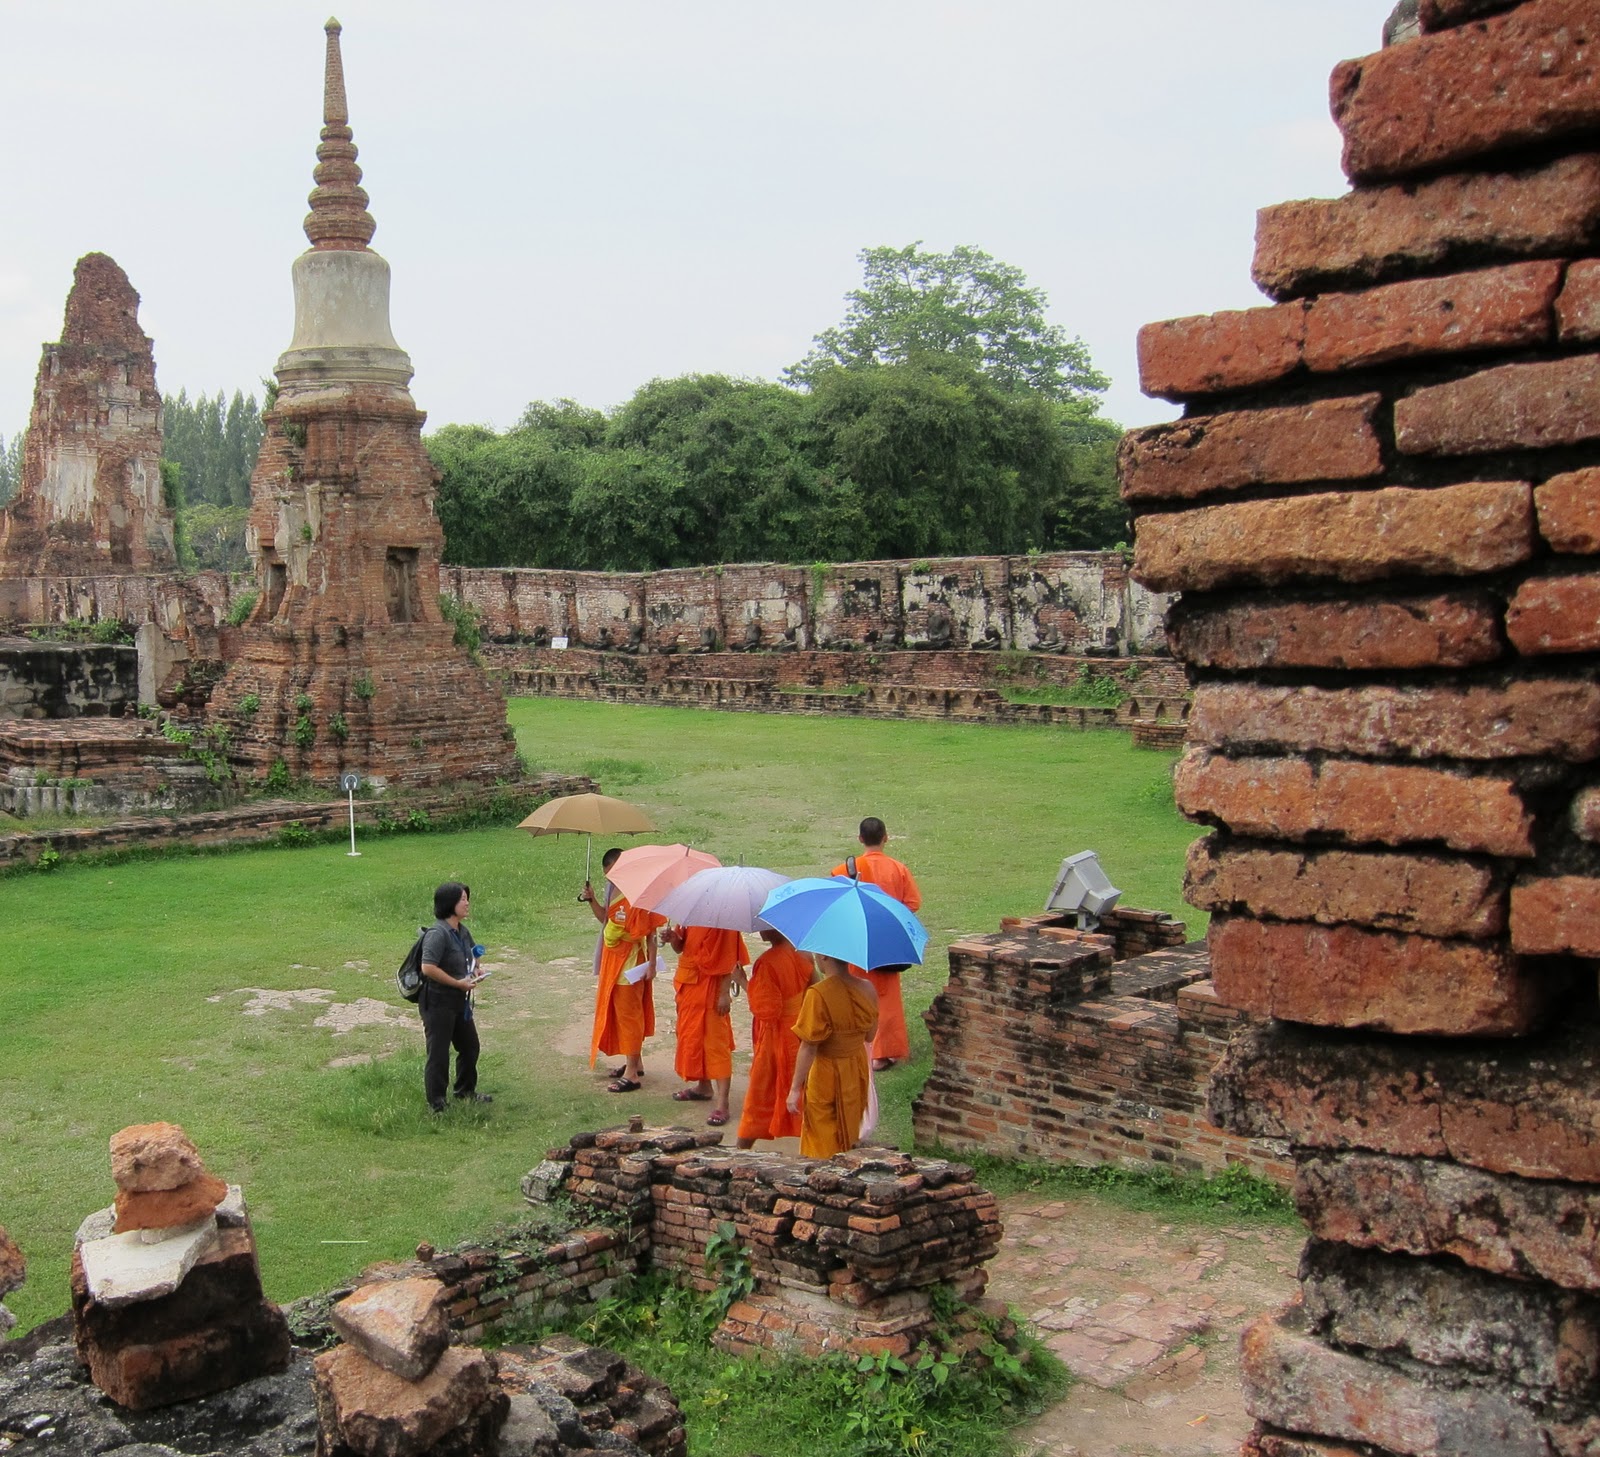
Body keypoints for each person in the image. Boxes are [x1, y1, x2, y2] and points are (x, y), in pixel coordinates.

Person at [832, 816, 922, 1071]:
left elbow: (835, 900)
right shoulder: (898, 869)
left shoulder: (844, 869)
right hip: (888, 939)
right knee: (887, 995)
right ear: (886, 837)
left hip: (856, 938)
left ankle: (859, 1046)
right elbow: (913, 903)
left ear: (860, 838)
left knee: (856, 991)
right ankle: (885, 1052)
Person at [580, 848, 665, 1092]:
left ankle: (632, 1074)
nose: (611, 878)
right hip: (612, 962)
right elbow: (605, 920)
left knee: (630, 1015)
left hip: (630, 962)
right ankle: (634, 1063)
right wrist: (592, 900)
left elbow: (650, 931)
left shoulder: (640, 892)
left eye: (613, 873)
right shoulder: (613, 889)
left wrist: (652, 963)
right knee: (617, 1012)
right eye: (608, 875)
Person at [785, 953, 878, 1158]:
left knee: (822, 1131)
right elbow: (870, 1035)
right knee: (851, 1125)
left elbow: (809, 1046)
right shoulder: (868, 988)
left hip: (826, 1071)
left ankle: (825, 1179)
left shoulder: (818, 994)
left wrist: (794, 1089)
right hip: (856, 1068)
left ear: (825, 957)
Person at [734, 928, 816, 1148]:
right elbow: (815, 989)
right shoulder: (805, 953)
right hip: (802, 1030)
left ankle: (741, 1147)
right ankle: (812, 1146)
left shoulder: (767, 963)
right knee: (804, 1089)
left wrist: (743, 981)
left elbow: (767, 1011)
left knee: (760, 1094)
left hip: (776, 1037)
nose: (759, 930)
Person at [667, 921, 749, 1126]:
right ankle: (703, 1087)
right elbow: (681, 946)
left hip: (712, 990)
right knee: (692, 1039)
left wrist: (724, 994)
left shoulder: (726, 919)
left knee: (716, 1045)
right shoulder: (692, 913)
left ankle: (723, 1104)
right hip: (689, 986)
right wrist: (673, 938)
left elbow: (731, 959)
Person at [418, 881, 490, 1112]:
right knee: (438, 1054)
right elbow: (428, 967)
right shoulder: (437, 934)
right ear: (450, 904)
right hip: (438, 1001)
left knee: (470, 1047)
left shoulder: (461, 930)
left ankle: (465, 1091)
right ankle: (437, 1104)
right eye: (462, 899)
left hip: (459, 1001)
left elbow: (471, 954)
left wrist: (476, 969)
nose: (467, 903)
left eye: (467, 898)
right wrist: (457, 983)